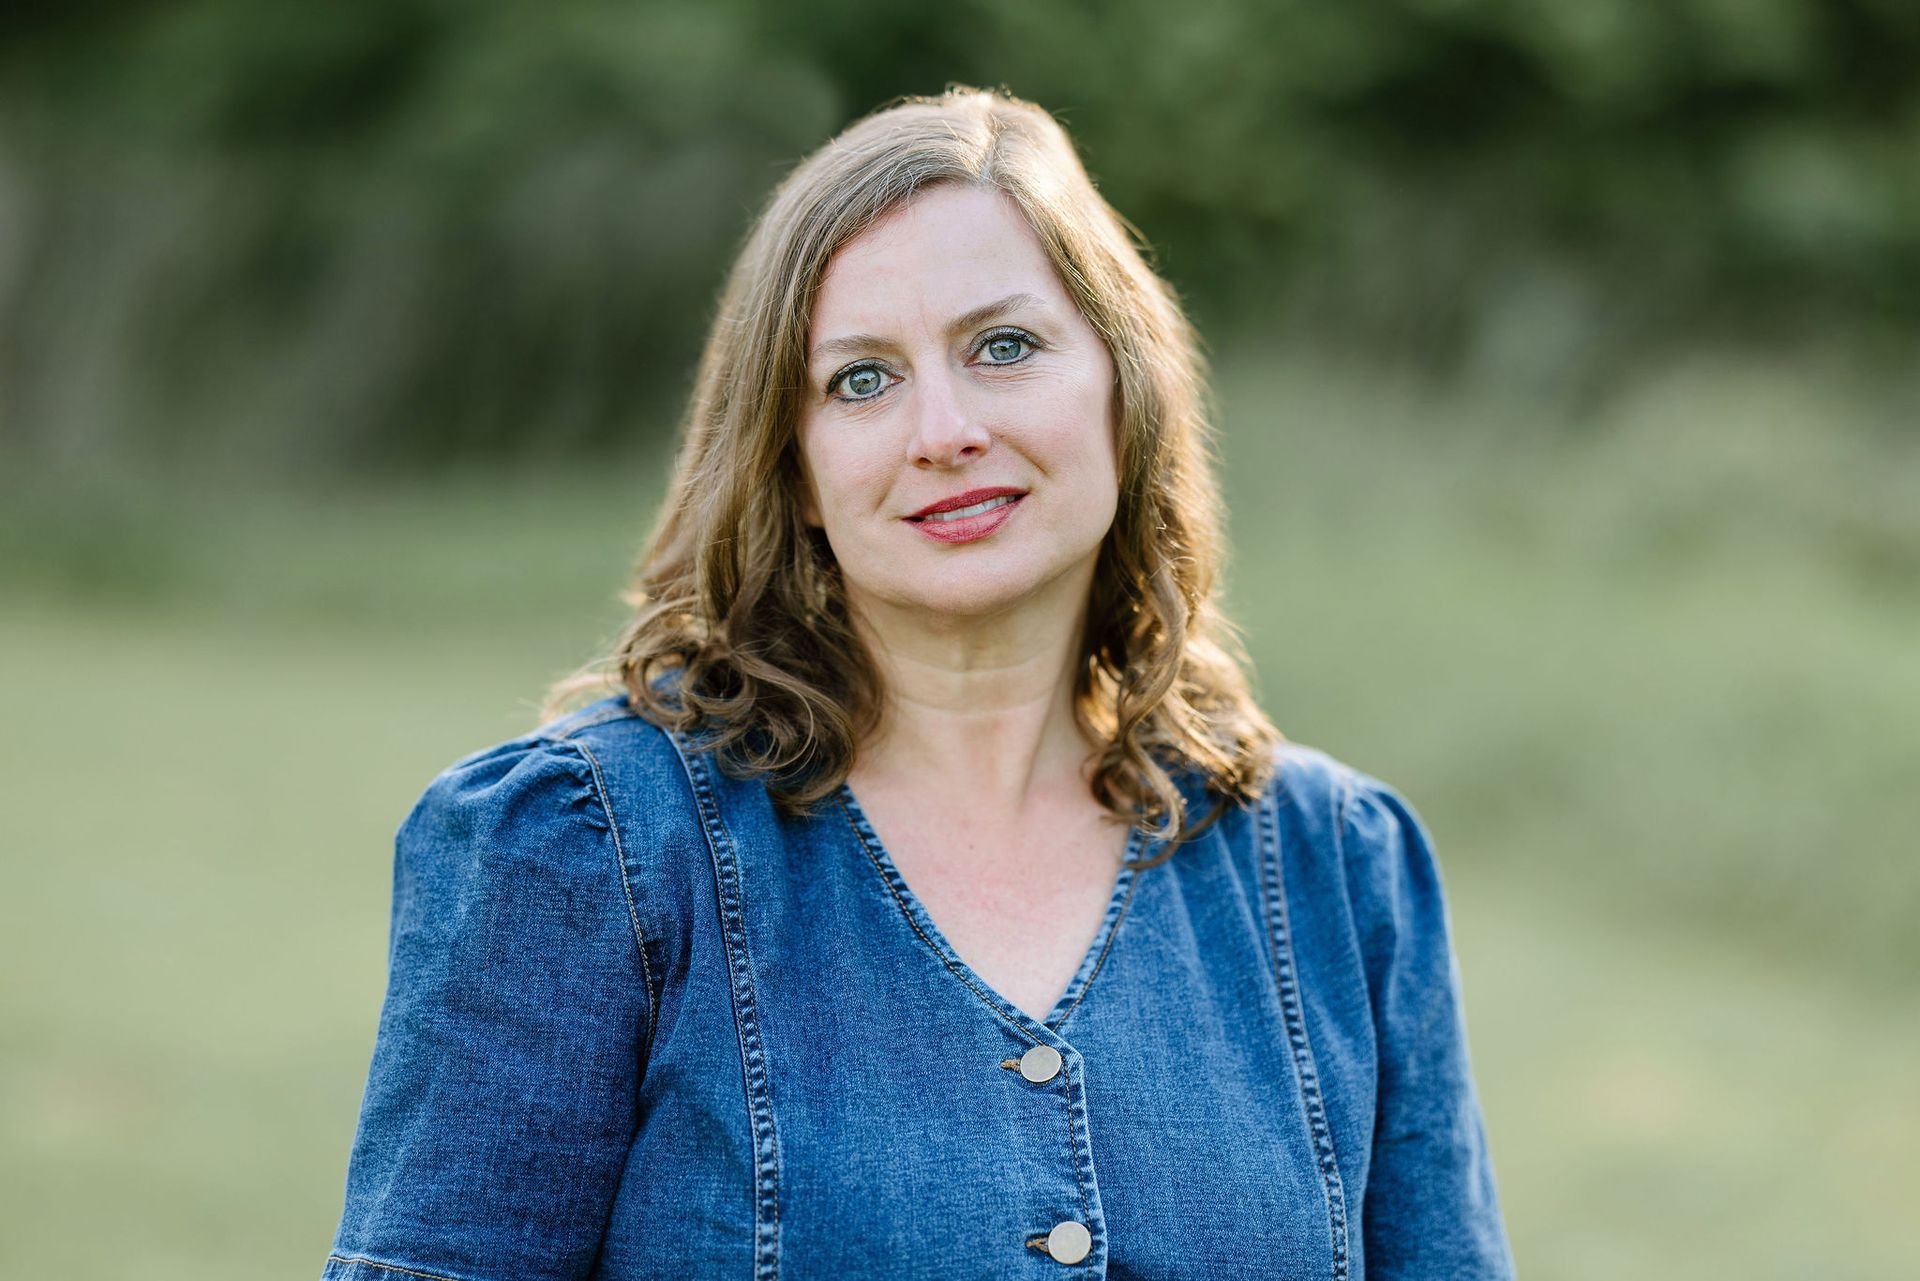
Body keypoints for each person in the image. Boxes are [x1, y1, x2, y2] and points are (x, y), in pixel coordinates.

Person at [321, 86, 1514, 1280]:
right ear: (792, 466)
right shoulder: (583, 852)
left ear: (1123, 384)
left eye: (1004, 347)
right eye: (860, 380)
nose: (942, 429)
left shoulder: (1339, 873)